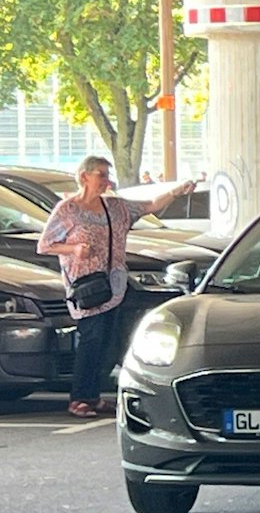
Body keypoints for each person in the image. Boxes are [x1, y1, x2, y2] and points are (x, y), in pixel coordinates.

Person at [35, 156, 194, 418]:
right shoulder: (68, 209)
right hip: (87, 287)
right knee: (91, 340)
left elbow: (150, 205)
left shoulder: (116, 207)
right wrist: (74, 249)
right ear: (84, 176)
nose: (106, 181)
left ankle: (94, 395)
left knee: (109, 341)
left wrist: (176, 191)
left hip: (116, 285)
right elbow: (45, 245)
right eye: (101, 174)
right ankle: (80, 398)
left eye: (107, 175)